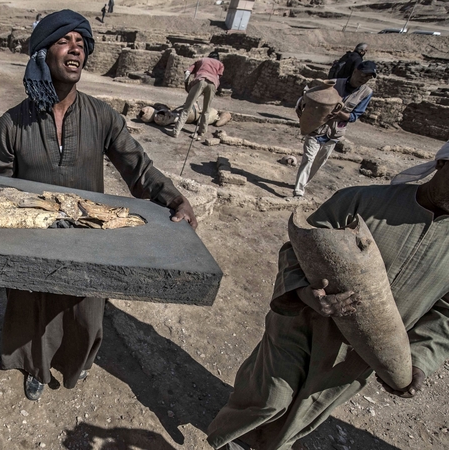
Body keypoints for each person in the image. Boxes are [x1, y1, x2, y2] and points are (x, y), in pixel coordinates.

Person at [0, 10, 198, 401]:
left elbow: (138, 167)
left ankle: (76, 363)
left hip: (89, 237)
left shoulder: (102, 117)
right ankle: (35, 367)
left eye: (82, 45)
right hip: (32, 238)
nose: (76, 51)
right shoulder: (11, 125)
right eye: (65, 41)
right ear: (41, 53)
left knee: (85, 310)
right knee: (33, 307)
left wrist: (175, 198)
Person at [207, 141, 449, 450]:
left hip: (359, 357)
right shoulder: (362, 201)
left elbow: (445, 317)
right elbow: (296, 249)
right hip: (303, 325)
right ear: (442, 165)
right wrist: (305, 294)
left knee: (302, 416)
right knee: (269, 398)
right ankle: (232, 438)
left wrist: (416, 361)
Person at [292, 61, 375, 197]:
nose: (364, 79)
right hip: (316, 128)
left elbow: (354, 116)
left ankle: (304, 182)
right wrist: (301, 109)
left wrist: (339, 113)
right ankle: (299, 190)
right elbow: (307, 97)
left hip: (334, 133)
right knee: (308, 158)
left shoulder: (366, 93)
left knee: (319, 162)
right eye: (363, 75)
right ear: (355, 71)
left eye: (368, 77)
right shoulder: (334, 83)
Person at [172, 52, 224, 140]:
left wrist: (186, 85)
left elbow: (187, 73)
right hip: (213, 83)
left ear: (209, 56)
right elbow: (218, 78)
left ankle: (176, 131)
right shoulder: (220, 64)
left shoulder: (201, 60)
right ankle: (201, 132)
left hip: (200, 80)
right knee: (206, 110)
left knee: (187, 108)